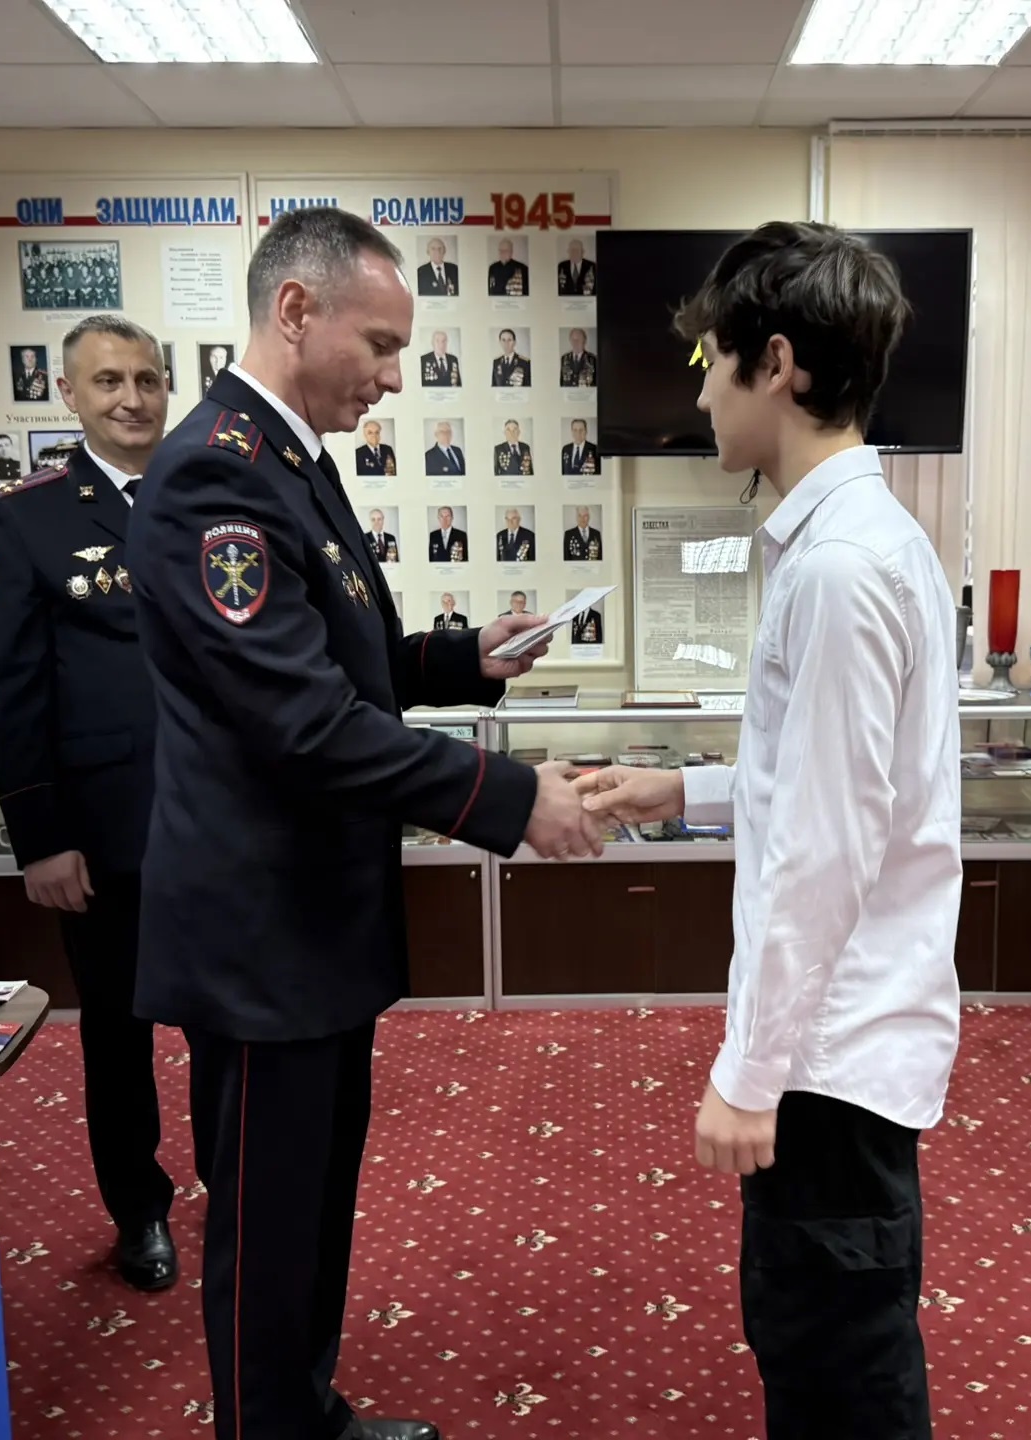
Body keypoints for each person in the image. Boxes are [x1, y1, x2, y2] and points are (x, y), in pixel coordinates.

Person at [127, 206, 604, 1440]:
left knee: (312, 1205)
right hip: (260, 940)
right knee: (265, 1228)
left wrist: (463, 656)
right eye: (381, 346)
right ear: (296, 311)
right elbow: (303, 724)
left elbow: (341, 660)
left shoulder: (287, 463)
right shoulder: (215, 476)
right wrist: (511, 800)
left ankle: (307, 1415)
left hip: (311, 925)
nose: (394, 379)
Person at [575, 221, 962, 1440]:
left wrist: (748, 1076)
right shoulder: (854, 545)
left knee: (837, 1371)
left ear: (778, 362)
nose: (698, 390)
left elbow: (828, 852)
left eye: (711, 361)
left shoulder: (842, 569)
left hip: (829, 1062)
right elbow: (822, 787)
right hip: (840, 1044)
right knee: (824, 1348)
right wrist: (682, 793)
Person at [0, 314, 179, 1293]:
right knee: (118, 1034)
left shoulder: (210, 494)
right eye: (108, 381)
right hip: (106, 831)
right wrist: (41, 837)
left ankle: (238, 1178)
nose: (131, 398)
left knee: (235, 1023)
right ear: (68, 395)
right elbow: (12, 690)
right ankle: (139, 1210)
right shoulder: (26, 518)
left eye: (146, 379)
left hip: (223, 827)